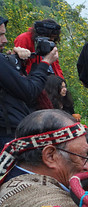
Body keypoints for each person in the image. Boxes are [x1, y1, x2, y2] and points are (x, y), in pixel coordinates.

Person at [0, 16, 57, 147]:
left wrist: (16, 61)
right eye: (0, 35)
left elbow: (10, 84)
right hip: (7, 134)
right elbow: (29, 91)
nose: (5, 40)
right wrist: (45, 63)